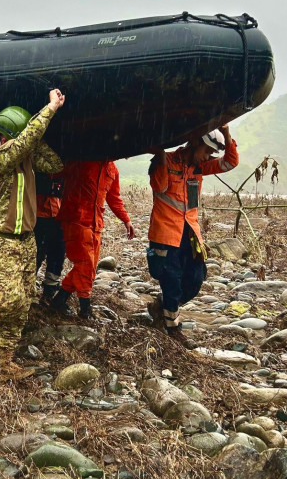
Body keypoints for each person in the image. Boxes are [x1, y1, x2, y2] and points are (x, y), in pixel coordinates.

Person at [0, 90, 65, 380]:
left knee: (23, 304)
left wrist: (36, 142)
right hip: (1, 240)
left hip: (26, 240)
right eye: (19, 139)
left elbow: (55, 165)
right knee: (6, 301)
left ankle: (6, 362)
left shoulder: (25, 159)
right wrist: (51, 108)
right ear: (7, 137)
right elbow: (23, 143)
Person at [146, 125, 238, 337]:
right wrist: (159, 155)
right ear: (195, 142)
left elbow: (230, 162)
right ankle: (173, 328)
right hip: (166, 233)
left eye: (210, 154)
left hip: (190, 234)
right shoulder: (166, 160)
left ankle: (162, 305)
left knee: (196, 277)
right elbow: (159, 187)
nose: (207, 158)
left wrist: (226, 133)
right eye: (206, 151)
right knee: (171, 280)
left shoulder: (199, 167)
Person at [50, 161, 135, 318]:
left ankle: (59, 300)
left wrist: (126, 220)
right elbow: (55, 173)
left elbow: (114, 197)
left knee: (89, 267)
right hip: (75, 220)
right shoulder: (83, 160)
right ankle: (85, 309)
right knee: (85, 265)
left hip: (96, 224)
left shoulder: (112, 169)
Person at [34, 172, 65, 306]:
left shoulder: (67, 165)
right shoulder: (36, 164)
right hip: (36, 215)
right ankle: (27, 285)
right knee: (35, 253)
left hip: (57, 215)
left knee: (57, 252)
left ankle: (50, 288)